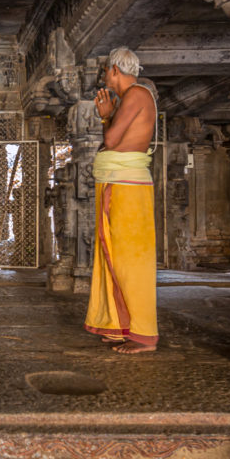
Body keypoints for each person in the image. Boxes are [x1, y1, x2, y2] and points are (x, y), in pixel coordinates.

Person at [83, 47, 159, 354]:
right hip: (118, 182)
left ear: (115, 69)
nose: (103, 76)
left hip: (127, 186)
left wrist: (106, 117)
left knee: (131, 261)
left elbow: (112, 141)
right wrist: (110, 116)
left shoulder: (137, 94)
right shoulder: (130, 98)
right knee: (112, 256)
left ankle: (144, 335)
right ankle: (118, 325)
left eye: (105, 70)